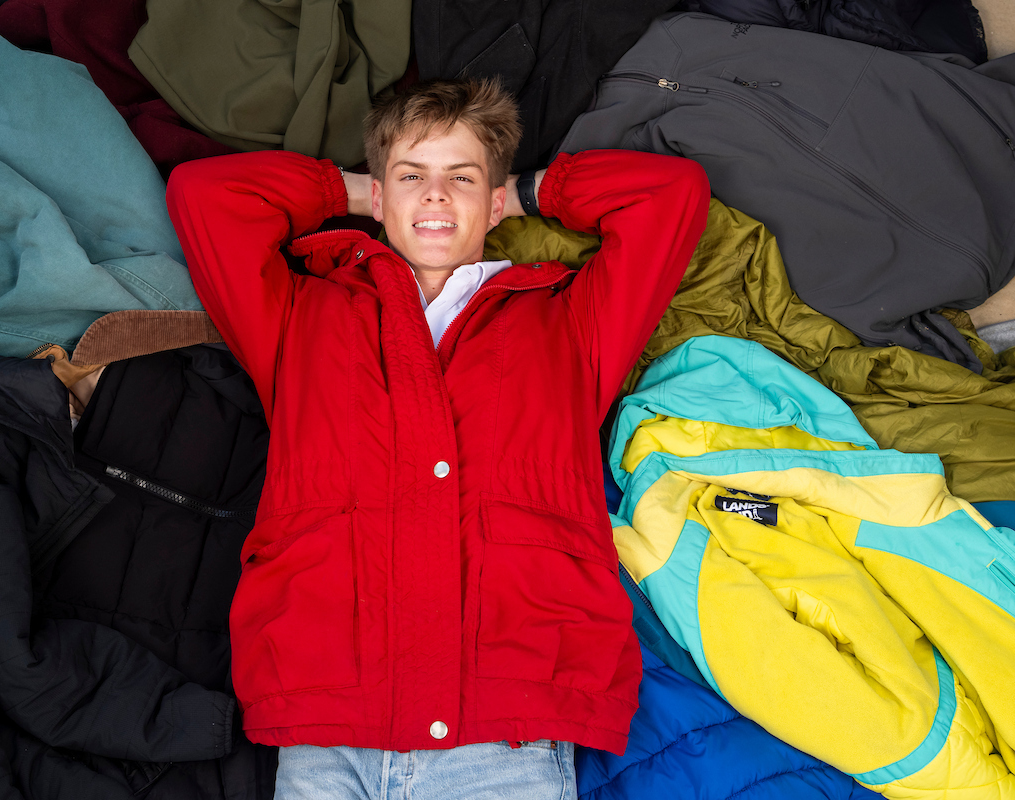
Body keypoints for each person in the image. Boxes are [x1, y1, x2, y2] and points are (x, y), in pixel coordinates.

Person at [166, 78, 710, 799]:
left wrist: (525, 193)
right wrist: (357, 193)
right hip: (329, 722)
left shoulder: (569, 322)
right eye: (411, 176)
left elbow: (669, 195)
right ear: (380, 194)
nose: (434, 194)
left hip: (504, 728)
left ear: (494, 200)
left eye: (461, 177)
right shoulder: (300, 314)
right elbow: (206, 197)